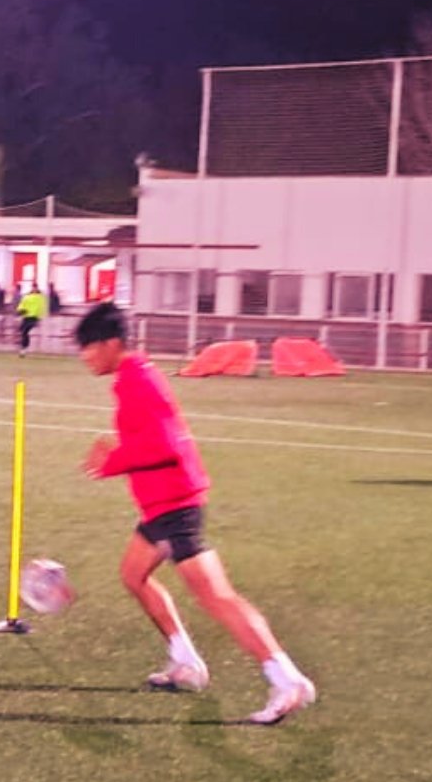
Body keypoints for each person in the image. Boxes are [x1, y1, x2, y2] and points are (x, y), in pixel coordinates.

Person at [75, 301, 315, 723]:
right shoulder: (133, 377)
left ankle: (286, 677)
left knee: (218, 597)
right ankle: (186, 661)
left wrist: (111, 460)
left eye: (89, 347)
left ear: (112, 344)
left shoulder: (137, 382)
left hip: (176, 505)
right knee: (134, 575)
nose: (84, 356)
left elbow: (164, 446)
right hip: (162, 505)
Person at [16, 282, 47, 354]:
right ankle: (24, 347)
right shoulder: (27, 296)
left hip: (34, 317)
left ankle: (24, 348)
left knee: (25, 331)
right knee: (23, 332)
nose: (34, 289)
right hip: (26, 316)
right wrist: (20, 310)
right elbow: (22, 304)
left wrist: (40, 316)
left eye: (35, 287)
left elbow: (43, 307)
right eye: (33, 287)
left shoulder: (40, 297)